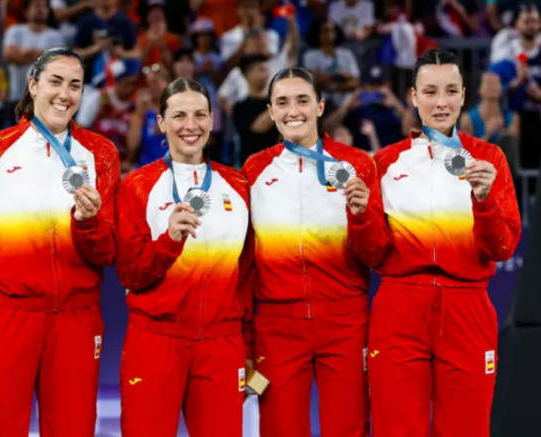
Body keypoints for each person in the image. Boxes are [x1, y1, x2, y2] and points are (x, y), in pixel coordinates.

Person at [0, 46, 120, 436]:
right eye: (55, 81)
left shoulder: (101, 154)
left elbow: (110, 251)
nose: (65, 94)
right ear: (33, 85)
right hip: (4, 316)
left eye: (75, 85)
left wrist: (88, 223)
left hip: (76, 320)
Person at [368, 49, 521, 437]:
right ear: (413, 97)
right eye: (431, 91)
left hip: (467, 306)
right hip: (400, 306)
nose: (441, 102)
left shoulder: (489, 159)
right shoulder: (385, 163)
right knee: (396, 429)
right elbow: (371, 252)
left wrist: (484, 201)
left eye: (451, 91)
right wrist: (358, 216)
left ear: (464, 95)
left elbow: (502, 248)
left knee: (466, 429)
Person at [241, 67, 387, 437]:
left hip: (345, 322)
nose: (294, 111)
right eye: (283, 103)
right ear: (271, 111)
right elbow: (244, 265)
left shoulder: (356, 165)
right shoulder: (254, 170)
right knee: (280, 429)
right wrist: (245, 338)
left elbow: (377, 254)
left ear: (320, 106)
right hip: (277, 326)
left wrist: (361, 217)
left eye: (303, 100)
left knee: (348, 427)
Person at [116, 78, 250, 436]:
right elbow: (129, 273)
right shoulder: (137, 186)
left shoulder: (237, 185)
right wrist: (168, 241)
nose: (190, 126)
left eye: (199, 115)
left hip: (222, 344)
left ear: (212, 120)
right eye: (178, 116)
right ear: (160, 122)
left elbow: (249, 272)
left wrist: (249, 344)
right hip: (156, 339)